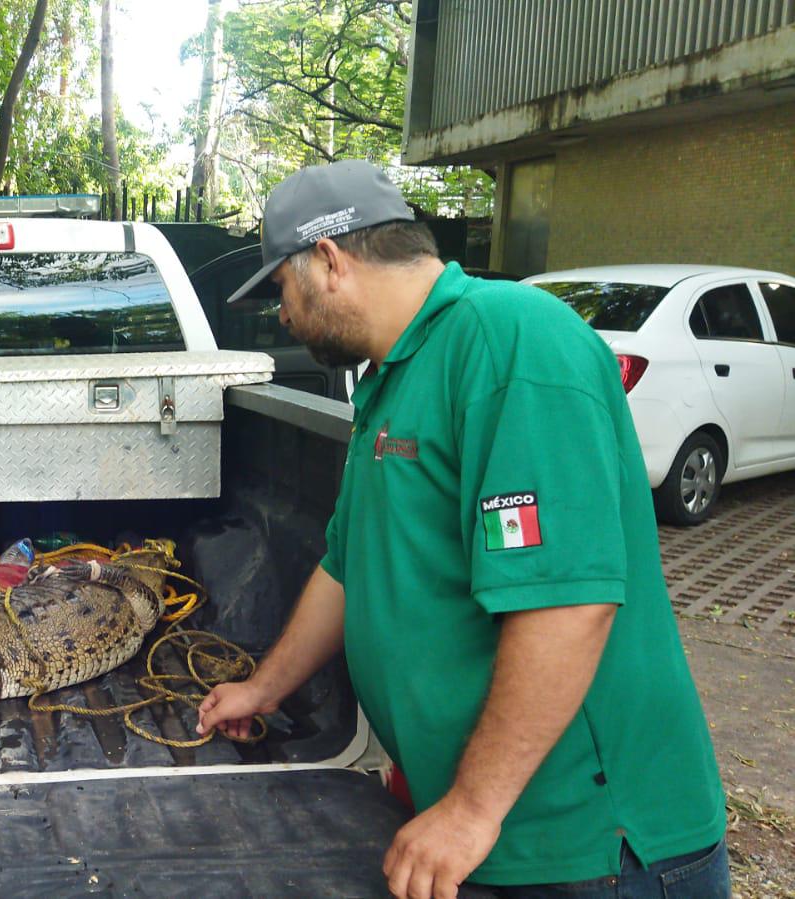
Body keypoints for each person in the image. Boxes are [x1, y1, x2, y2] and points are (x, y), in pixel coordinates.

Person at [198, 160, 726, 899]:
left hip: (589, 848)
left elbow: (567, 602)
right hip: (488, 832)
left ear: (329, 260)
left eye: (280, 288)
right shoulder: (392, 376)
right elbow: (349, 564)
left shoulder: (510, 341)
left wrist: (472, 809)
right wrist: (263, 688)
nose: (280, 314)